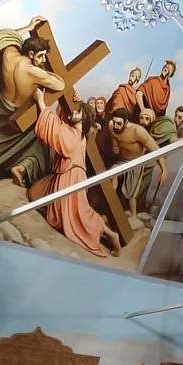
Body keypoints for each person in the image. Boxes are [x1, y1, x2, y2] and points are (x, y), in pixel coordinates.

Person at [28, 89, 121, 257]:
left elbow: (56, 129)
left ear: (84, 118)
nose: (74, 112)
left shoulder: (75, 134)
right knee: (37, 193)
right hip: (65, 175)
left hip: (72, 179)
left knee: (81, 215)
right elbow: (61, 124)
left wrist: (41, 101)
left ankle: (111, 235)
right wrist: (75, 99)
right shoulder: (75, 131)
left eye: (78, 112)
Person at [0, 16, 65, 186]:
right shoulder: (33, 72)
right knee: (40, 144)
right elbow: (60, 84)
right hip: (19, 118)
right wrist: (44, 72)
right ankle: (23, 168)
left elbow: (5, 36)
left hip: (2, 111)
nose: (44, 60)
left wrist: (28, 27)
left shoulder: (10, 55)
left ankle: (20, 168)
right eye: (41, 56)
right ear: (31, 54)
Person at [109, 108, 166, 218]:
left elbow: (156, 149)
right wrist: (115, 144)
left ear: (126, 122)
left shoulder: (138, 131)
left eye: (119, 123)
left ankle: (134, 216)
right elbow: (114, 139)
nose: (116, 126)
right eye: (114, 122)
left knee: (132, 194)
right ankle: (111, 202)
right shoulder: (112, 126)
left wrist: (164, 170)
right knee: (112, 173)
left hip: (136, 163)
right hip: (122, 161)